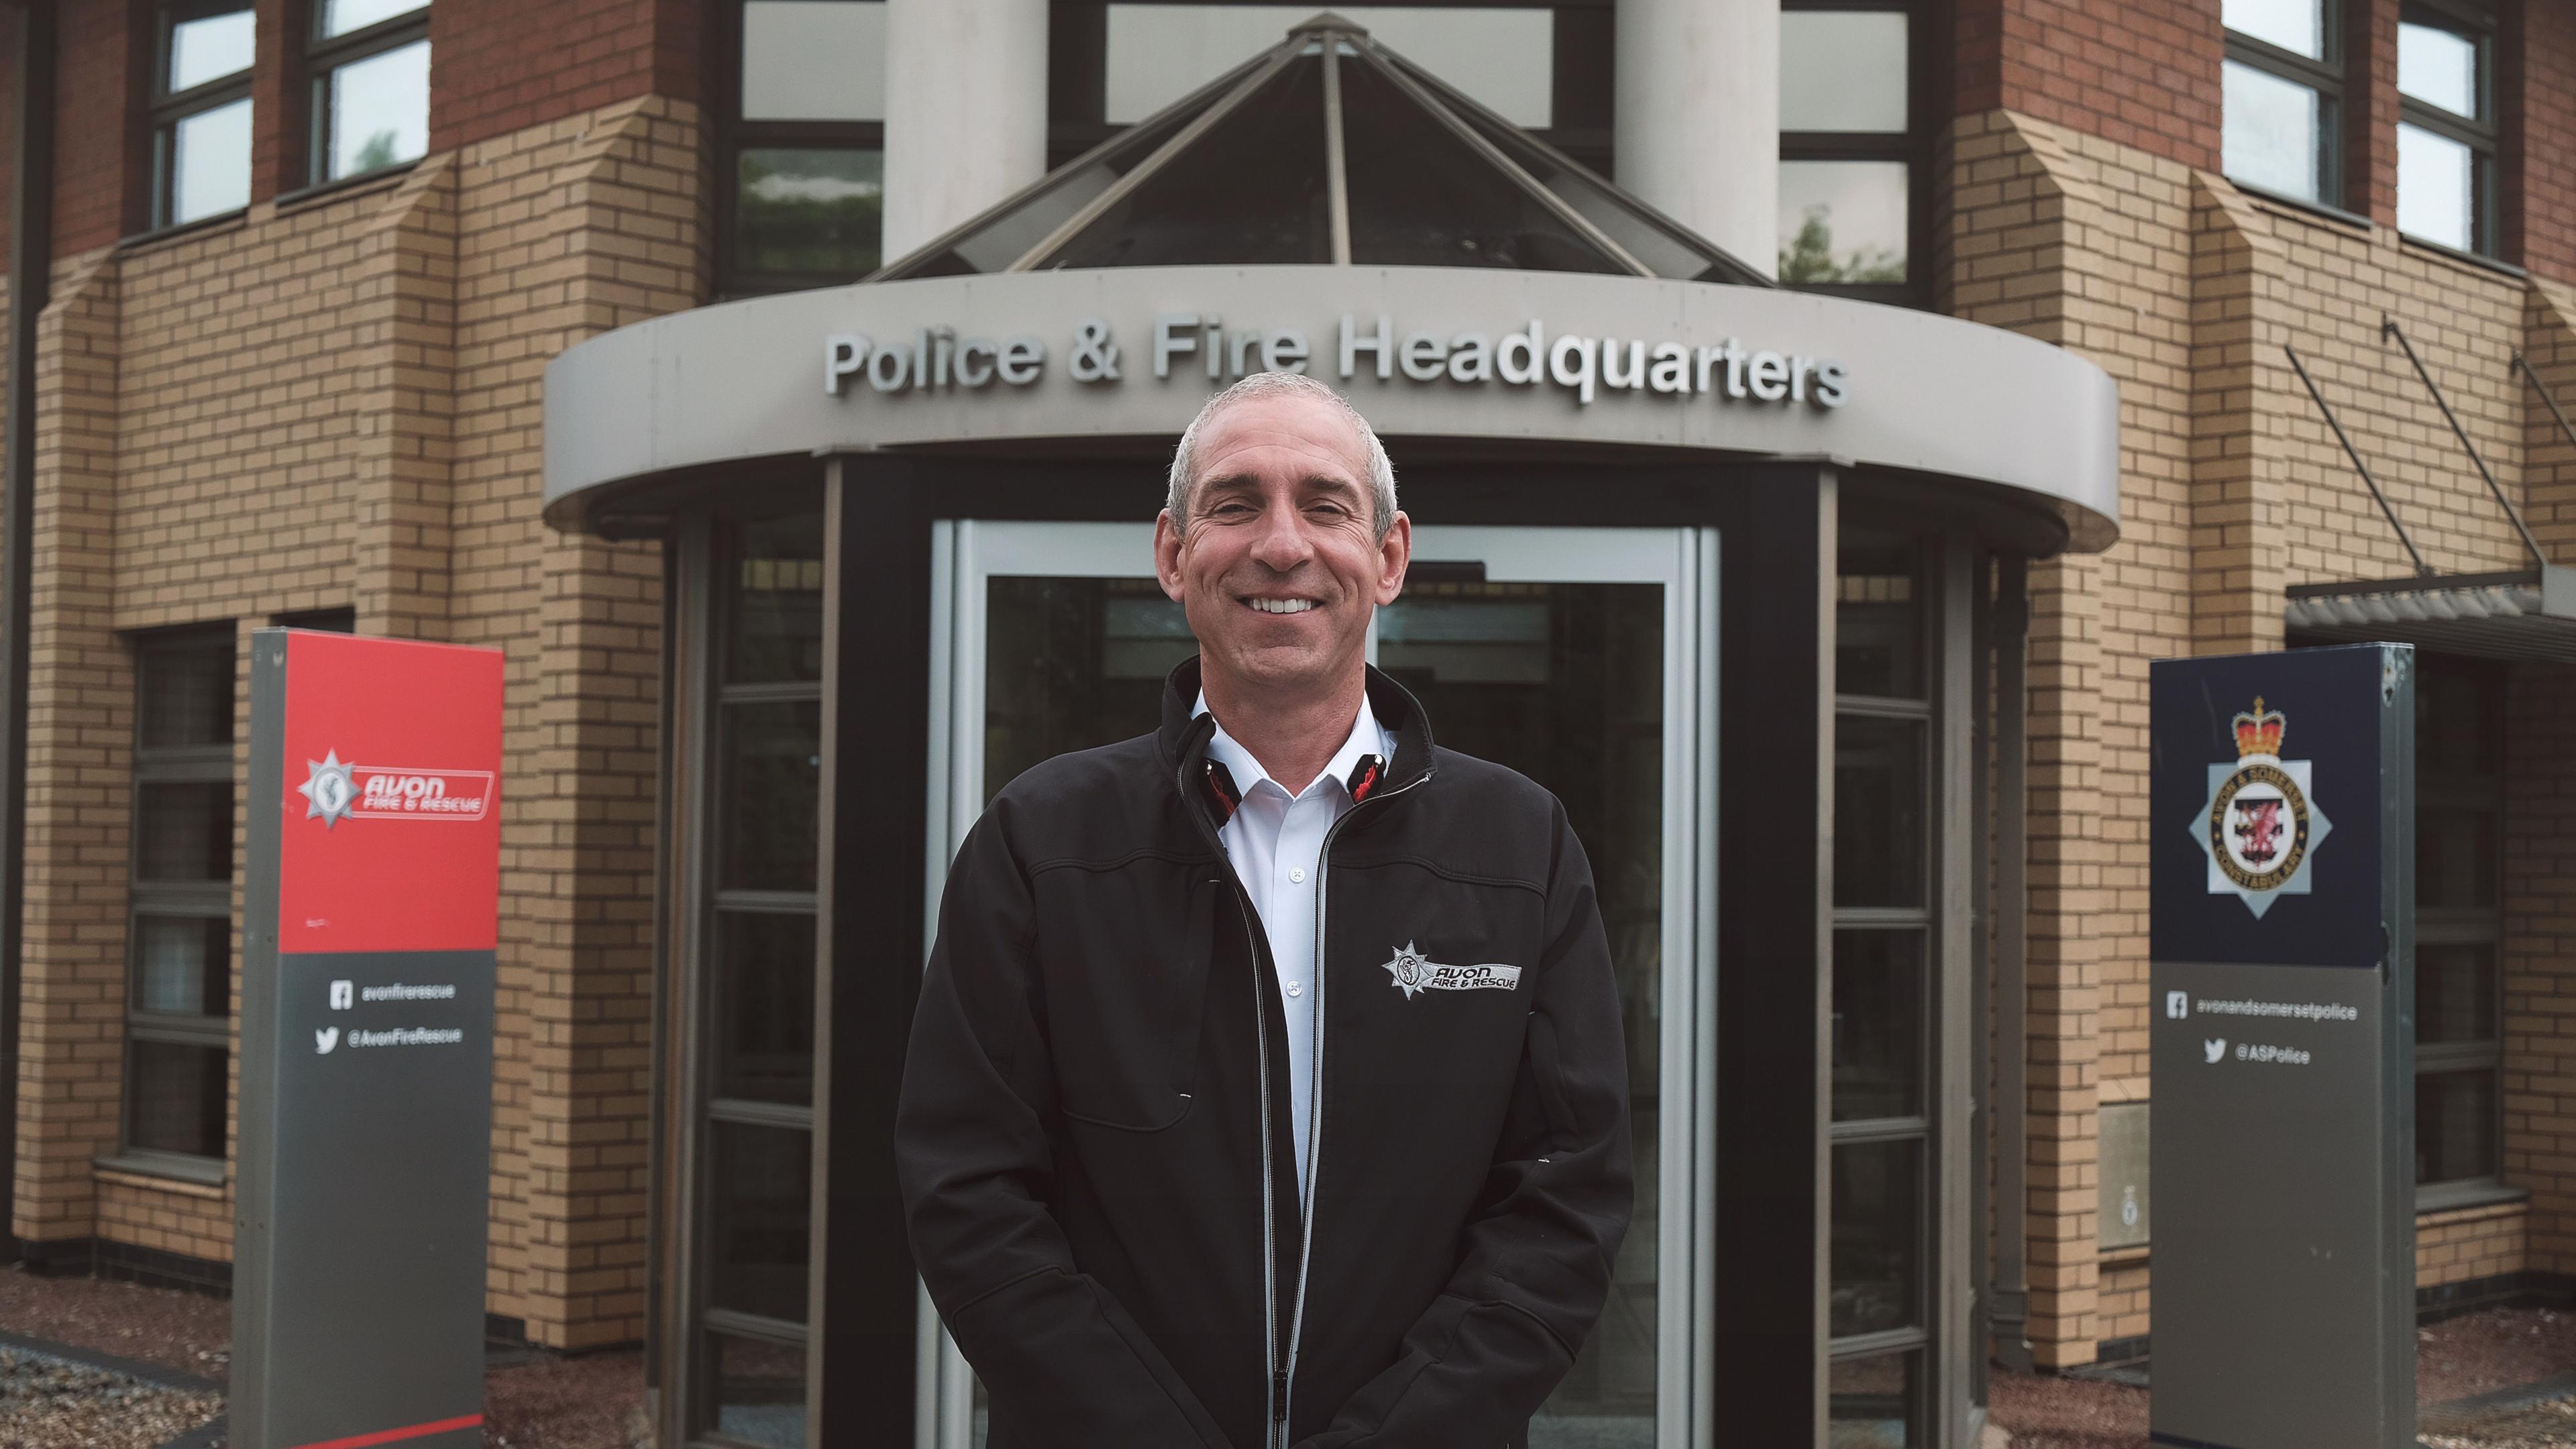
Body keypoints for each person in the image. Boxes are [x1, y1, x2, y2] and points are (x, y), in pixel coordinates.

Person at [895, 372, 1632, 1449]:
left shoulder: (1519, 845)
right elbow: (970, 1198)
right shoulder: (1041, 840)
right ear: (1171, 555)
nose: (1281, 546)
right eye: (1236, 504)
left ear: (1387, 558)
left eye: (1325, 506)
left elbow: (1563, 1206)